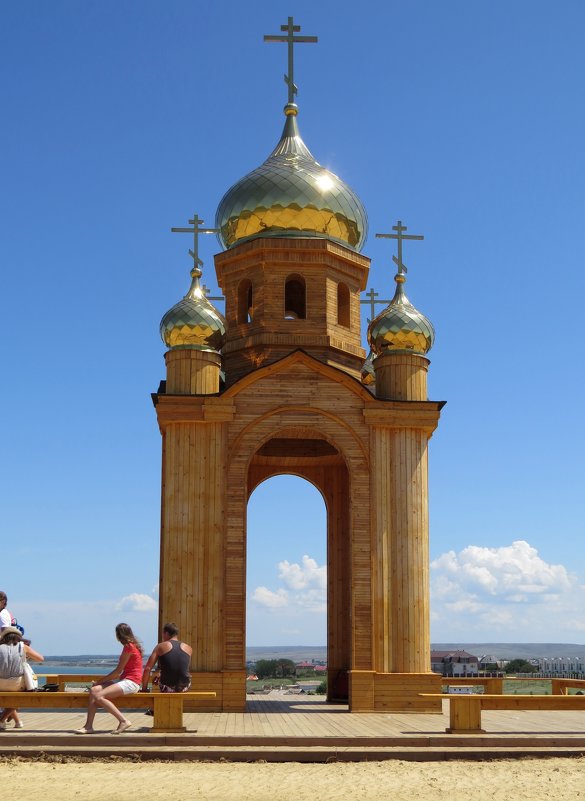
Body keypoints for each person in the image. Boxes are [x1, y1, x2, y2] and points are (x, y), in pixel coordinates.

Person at [75, 623, 143, 735]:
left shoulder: (129, 647)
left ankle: (123, 721)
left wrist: (99, 681)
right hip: (125, 681)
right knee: (94, 690)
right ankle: (88, 726)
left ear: (118, 635)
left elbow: (117, 672)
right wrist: (98, 684)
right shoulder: (131, 646)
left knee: (99, 696)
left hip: (131, 682)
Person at [0, 626, 44, 730]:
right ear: (18, 637)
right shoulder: (22, 647)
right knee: (27, 692)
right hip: (16, 684)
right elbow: (40, 658)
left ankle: (5, 720)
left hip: (0, 684)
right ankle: (2, 719)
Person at [141, 622, 192, 694]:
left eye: (163, 634)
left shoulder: (160, 647)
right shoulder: (188, 648)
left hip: (167, 687)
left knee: (163, 683)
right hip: (184, 687)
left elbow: (147, 669)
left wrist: (144, 688)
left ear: (166, 633)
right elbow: (180, 668)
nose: (163, 637)